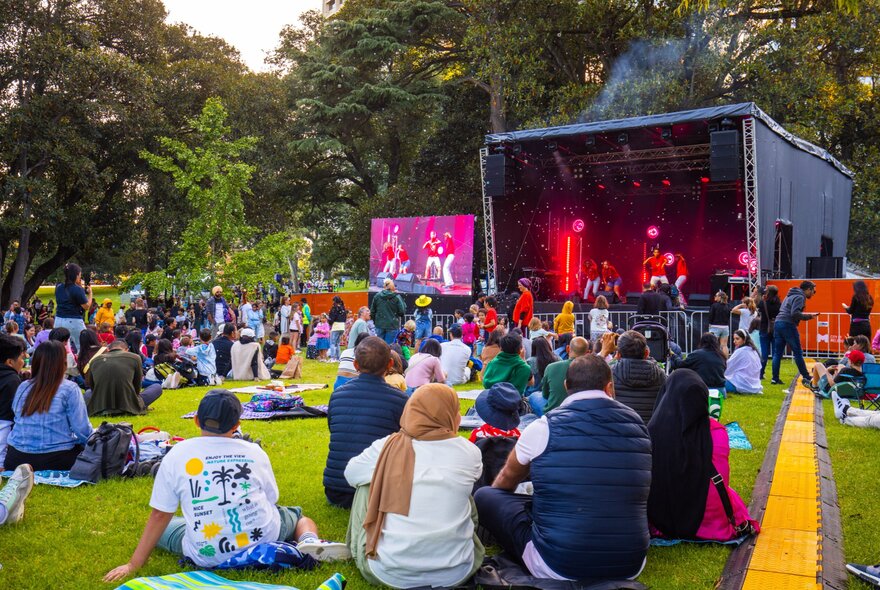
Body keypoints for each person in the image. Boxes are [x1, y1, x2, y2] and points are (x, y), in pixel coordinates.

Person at [103, 390, 348, 583]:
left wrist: (133, 565)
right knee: (298, 516)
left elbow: (160, 514)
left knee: (166, 528)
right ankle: (308, 539)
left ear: (196, 420)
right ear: (236, 424)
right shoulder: (253, 451)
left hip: (205, 554)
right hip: (262, 537)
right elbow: (272, 498)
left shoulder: (177, 454)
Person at [474, 355, 651, 582]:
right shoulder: (637, 424)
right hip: (630, 561)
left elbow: (506, 481)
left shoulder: (544, 426)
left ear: (566, 386)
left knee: (486, 496)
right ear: (609, 387)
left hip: (557, 563)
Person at [344, 384, 483, 588]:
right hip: (457, 572)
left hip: (388, 573)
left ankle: (359, 547)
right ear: (451, 414)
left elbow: (351, 474)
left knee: (366, 483)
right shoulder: (470, 452)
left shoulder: (385, 447)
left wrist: (388, 477)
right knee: (463, 490)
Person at [648, 369, 759, 541]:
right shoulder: (716, 432)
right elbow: (721, 478)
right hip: (707, 522)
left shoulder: (651, 432)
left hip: (659, 520)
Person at [324, 337, 408, 508]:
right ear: (390, 364)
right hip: (378, 490)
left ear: (355, 364)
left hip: (336, 490)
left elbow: (333, 428)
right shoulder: (399, 399)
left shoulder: (338, 395)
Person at [4, 341, 92, 471]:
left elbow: (17, 416)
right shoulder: (70, 389)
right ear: (63, 363)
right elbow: (82, 430)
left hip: (16, 458)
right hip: (57, 458)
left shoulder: (23, 386)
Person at [86, 339, 163, 416]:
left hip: (100, 405)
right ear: (126, 350)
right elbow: (137, 386)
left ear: (108, 349)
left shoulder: (95, 360)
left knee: (88, 392)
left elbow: (92, 387)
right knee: (157, 387)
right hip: (128, 404)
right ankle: (134, 405)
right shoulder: (135, 358)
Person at [771, 281, 820, 387]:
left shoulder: (789, 295)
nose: (813, 294)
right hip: (788, 324)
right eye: (813, 291)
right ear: (808, 289)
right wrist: (809, 316)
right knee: (797, 352)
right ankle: (806, 376)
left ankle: (775, 378)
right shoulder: (800, 297)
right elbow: (795, 313)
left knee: (777, 353)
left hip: (778, 323)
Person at [612, 331, 666, 424]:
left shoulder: (609, 374)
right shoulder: (661, 375)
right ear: (646, 353)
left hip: (619, 428)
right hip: (650, 429)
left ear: (618, 355)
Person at [54, 263, 93, 354]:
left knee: (61, 347)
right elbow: (86, 306)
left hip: (59, 319)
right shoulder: (77, 289)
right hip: (73, 320)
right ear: (76, 275)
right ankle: (81, 362)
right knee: (82, 345)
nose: (80, 277)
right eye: (79, 275)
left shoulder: (59, 287)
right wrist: (90, 294)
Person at [0, 334, 27, 467]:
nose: (24, 360)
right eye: (21, 357)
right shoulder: (12, 381)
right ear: (10, 362)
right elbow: (11, 419)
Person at [722, 329, 763, 394]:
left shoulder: (740, 351)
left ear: (744, 339)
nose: (734, 341)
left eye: (737, 339)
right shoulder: (754, 351)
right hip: (754, 385)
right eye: (734, 339)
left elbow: (728, 366)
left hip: (740, 384)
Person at [370, 280, 406, 345]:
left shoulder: (377, 296)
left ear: (384, 286)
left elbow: (372, 311)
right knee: (389, 347)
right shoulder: (397, 297)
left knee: (378, 346)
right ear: (393, 287)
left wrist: (376, 321)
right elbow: (402, 312)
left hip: (379, 325)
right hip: (392, 325)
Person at [757, 285, 781, 380]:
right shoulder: (779, 303)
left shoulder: (763, 303)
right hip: (776, 329)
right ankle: (775, 377)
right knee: (776, 354)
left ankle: (761, 374)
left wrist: (762, 298)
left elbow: (757, 306)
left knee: (764, 353)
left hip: (764, 328)